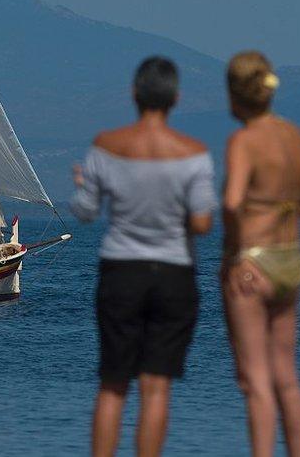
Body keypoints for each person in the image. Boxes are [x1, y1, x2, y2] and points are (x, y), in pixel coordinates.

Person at [70, 57, 216, 457]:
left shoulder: (105, 146)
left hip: (121, 273)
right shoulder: (195, 154)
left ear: (134, 95)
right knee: (156, 386)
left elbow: (85, 211)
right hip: (173, 276)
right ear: (176, 99)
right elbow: (203, 223)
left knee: (113, 383)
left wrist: (82, 183)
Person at [220, 51, 300, 457]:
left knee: (255, 381)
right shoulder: (297, 137)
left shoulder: (244, 141)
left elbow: (231, 204)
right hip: (291, 260)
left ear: (234, 95)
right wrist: (282, 205)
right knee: (288, 378)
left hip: (253, 262)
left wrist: (235, 253)